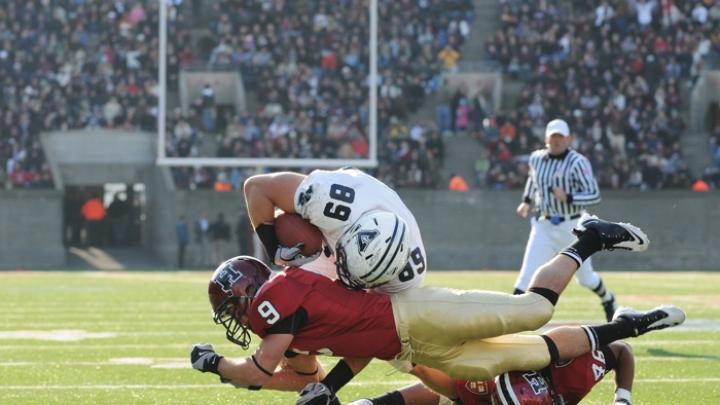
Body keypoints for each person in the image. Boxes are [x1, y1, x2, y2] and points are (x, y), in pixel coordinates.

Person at [190, 214, 684, 405]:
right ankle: (629, 327)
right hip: (406, 348)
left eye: (231, 306)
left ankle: (589, 240)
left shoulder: (280, 296)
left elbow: (258, 371)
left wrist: (215, 364)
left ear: (247, 292)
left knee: (531, 310)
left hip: (414, 315)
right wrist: (328, 389)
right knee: (519, 358)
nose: (236, 318)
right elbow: (304, 375)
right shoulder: (292, 325)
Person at [243, 168, 427, 293]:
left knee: (364, 322)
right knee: (295, 299)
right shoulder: (328, 204)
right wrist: (274, 250)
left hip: (362, 244)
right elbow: (257, 188)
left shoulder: (407, 278)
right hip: (334, 226)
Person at [516, 118, 617, 321]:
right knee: (526, 275)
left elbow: (594, 194)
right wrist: (526, 200)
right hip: (543, 224)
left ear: (568, 138)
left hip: (572, 227)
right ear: (546, 138)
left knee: (586, 279)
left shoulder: (578, 162)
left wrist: (569, 197)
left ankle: (608, 299)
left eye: (560, 137)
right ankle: (509, 321)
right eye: (553, 137)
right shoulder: (536, 158)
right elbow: (532, 179)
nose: (557, 141)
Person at [348, 340, 635, 405]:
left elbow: (622, 351)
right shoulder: (486, 386)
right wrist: (409, 364)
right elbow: (446, 388)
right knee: (457, 394)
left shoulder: (572, 375)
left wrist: (623, 399)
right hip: (491, 356)